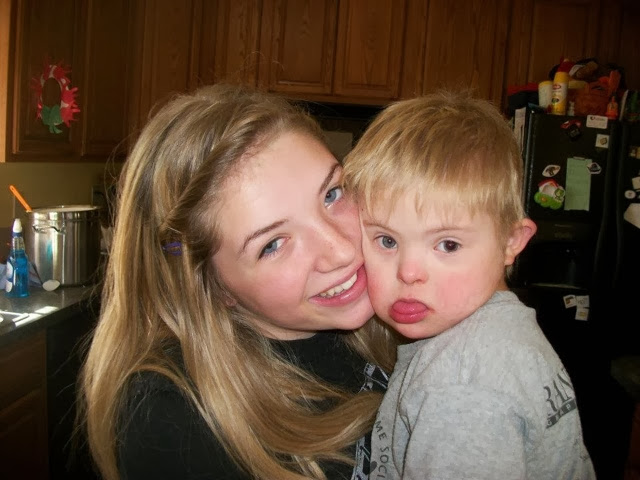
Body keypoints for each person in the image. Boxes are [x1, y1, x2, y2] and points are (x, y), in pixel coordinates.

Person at [78, 84, 397, 480]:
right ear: (212, 287)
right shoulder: (175, 421)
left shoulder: (407, 302)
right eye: (273, 244)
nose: (343, 250)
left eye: (332, 194)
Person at [342, 91, 596, 479]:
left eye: (448, 244)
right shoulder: (496, 333)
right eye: (387, 240)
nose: (408, 272)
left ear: (511, 242)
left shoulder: (462, 385)